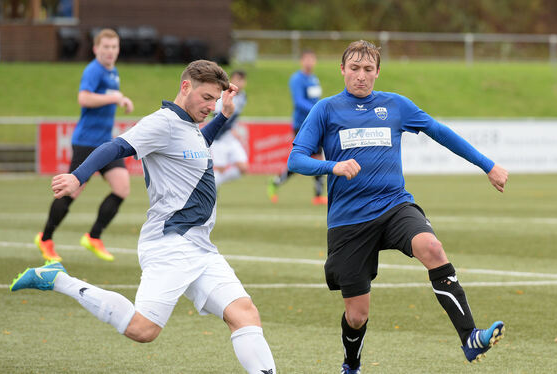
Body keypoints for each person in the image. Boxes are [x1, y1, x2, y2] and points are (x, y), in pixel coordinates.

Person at [10, 60, 277, 374]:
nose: (211, 106)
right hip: (170, 245)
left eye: (215, 101)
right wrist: (78, 177)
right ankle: (57, 279)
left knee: (244, 313)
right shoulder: (162, 123)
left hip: (201, 248)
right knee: (143, 329)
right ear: (185, 87)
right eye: (207, 98)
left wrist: (225, 115)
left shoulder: (189, 126)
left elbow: (198, 146)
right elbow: (115, 146)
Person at [288, 40, 509, 373]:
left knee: (432, 247)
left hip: (394, 205)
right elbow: (296, 158)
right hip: (349, 221)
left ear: (377, 72)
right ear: (342, 70)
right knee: (357, 316)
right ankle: (351, 364)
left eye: (367, 70)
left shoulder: (395, 105)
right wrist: (331, 167)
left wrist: (487, 165)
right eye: (354, 69)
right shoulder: (326, 110)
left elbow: (440, 132)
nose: (360, 76)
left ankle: (470, 338)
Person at [35, 28, 134, 262]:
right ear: (96, 49)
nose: (110, 51)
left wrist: (123, 99)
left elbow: (109, 96)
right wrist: (115, 97)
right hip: (87, 143)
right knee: (71, 191)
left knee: (122, 188)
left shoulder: (113, 72)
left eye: (114, 47)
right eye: (106, 47)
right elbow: (84, 98)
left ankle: (93, 237)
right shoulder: (93, 70)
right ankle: (46, 238)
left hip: (106, 144)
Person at [268, 49, 326, 205]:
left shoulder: (314, 78)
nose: (309, 62)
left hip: (315, 124)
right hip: (302, 125)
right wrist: (317, 110)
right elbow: (299, 102)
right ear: (302, 61)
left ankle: (318, 195)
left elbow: (315, 99)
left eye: (312, 59)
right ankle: (275, 182)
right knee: (299, 161)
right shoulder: (297, 79)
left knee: (318, 158)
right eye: (307, 59)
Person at [211, 70, 249, 188]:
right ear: (231, 81)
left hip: (230, 138)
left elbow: (233, 117)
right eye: (237, 79)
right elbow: (216, 117)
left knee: (243, 168)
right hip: (218, 138)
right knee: (220, 169)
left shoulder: (243, 96)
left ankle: (213, 185)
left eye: (242, 80)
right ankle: (211, 190)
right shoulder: (223, 95)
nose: (240, 83)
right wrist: (228, 128)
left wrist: (232, 129)